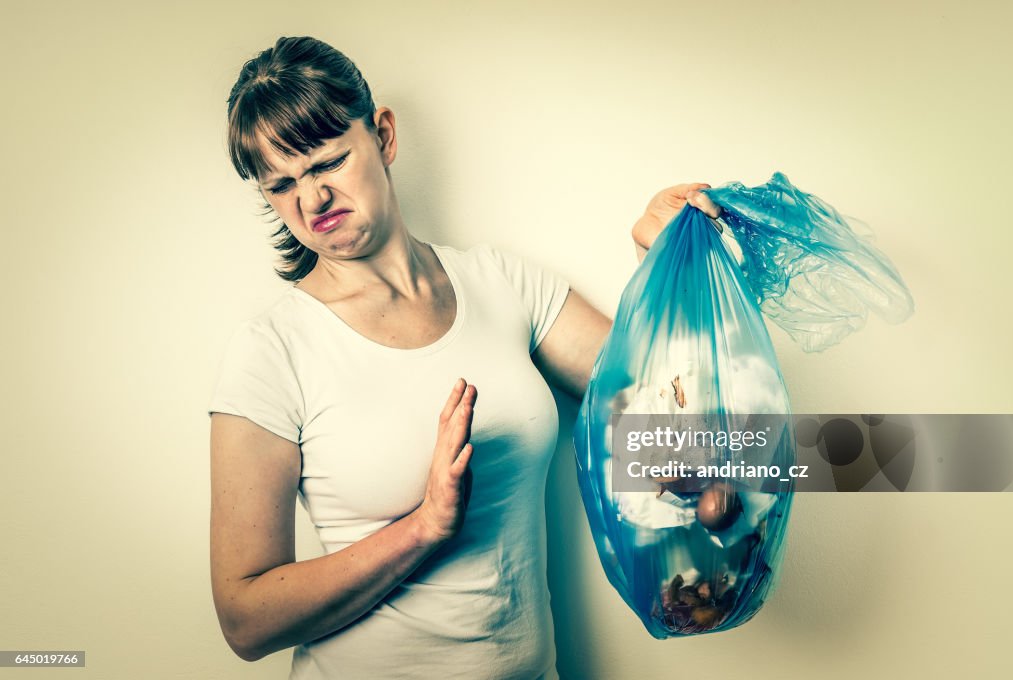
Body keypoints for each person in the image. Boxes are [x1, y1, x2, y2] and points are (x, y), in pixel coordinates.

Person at [207, 35, 723, 680]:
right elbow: (245, 620)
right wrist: (422, 528)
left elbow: (664, 421)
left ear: (384, 135)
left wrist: (658, 259)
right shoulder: (273, 350)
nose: (312, 202)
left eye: (327, 163)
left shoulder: (503, 282)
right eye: (281, 186)